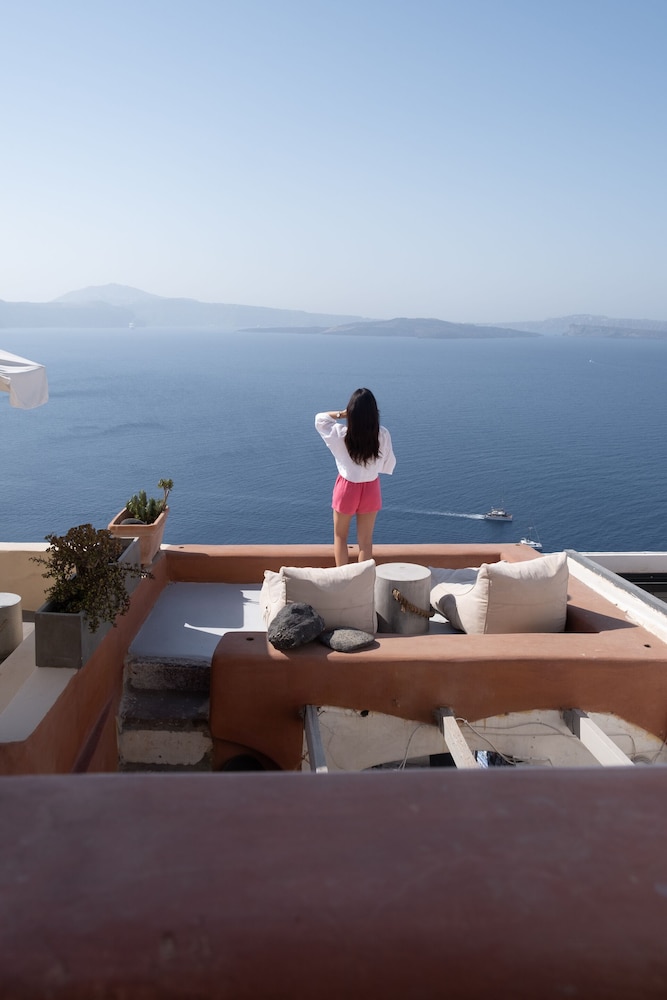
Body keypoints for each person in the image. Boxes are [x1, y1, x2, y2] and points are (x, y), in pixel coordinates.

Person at [315, 387, 396, 566]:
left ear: (351, 411)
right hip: (371, 487)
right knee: (365, 541)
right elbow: (388, 464)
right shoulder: (382, 434)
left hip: (347, 487)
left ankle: (342, 578)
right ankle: (363, 579)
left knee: (340, 536)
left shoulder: (340, 434)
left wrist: (343, 414)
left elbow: (320, 418)